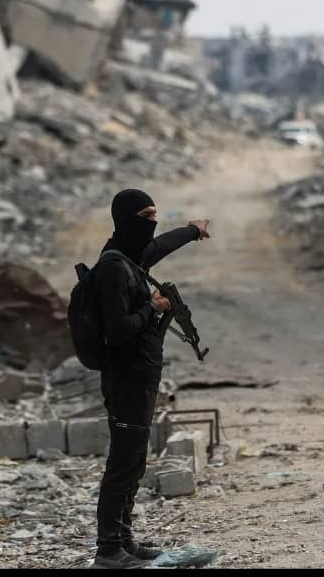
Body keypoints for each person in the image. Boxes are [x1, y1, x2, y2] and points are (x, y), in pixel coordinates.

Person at [92, 188, 210, 569]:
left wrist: (192, 230)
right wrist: (152, 307)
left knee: (135, 462)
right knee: (122, 464)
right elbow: (117, 331)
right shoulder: (113, 268)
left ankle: (124, 540)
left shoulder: (130, 257)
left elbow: (159, 246)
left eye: (155, 215)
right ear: (126, 220)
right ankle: (108, 550)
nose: (153, 223)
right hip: (124, 378)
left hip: (140, 376)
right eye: (146, 216)